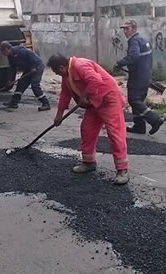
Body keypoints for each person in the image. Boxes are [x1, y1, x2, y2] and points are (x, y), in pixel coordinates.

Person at [48, 54, 129, 185]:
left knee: (115, 133)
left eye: (56, 71)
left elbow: (96, 80)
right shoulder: (66, 75)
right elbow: (65, 94)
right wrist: (59, 115)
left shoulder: (80, 65)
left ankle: (122, 170)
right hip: (93, 102)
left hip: (108, 99)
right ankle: (89, 162)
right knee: (87, 130)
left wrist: (84, 96)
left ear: (62, 67)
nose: (57, 74)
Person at [115, 20, 165, 135]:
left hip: (138, 77)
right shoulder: (142, 40)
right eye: (124, 29)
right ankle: (139, 126)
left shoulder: (135, 41)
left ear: (134, 29)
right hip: (144, 76)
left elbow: (133, 56)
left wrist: (120, 63)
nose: (125, 31)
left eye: (127, 29)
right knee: (138, 100)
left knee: (134, 100)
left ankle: (155, 119)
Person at [0, 41, 50, 111]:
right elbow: (12, 69)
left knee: (35, 85)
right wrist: (10, 80)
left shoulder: (19, 51)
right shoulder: (10, 56)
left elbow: (31, 55)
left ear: (7, 49)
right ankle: (14, 102)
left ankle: (46, 103)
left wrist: (33, 67)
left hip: (37, 66)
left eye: (3, 51)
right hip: (29, 68)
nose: (2, 53)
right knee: (21, 83)